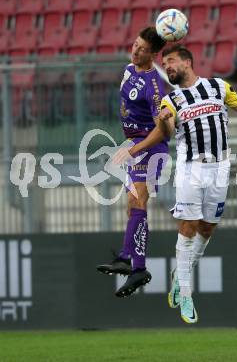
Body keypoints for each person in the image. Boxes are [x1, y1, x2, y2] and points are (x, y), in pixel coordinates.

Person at [114, 44, 237, 323]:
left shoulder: (218, 87)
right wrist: (163, 122)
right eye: (166, 63)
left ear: (187, 62)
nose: (168, 66)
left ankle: (180, 276)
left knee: (207, 228)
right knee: (187, 227)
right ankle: (186, 294)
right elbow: (167, 129)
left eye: (172, 61)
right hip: (191, 169)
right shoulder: (171, 99)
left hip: (220, 167)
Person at [96, 27, 167, 298]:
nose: (136, 51)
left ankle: (139, 269)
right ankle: (128, 259)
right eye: (135, 45)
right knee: (131, 206)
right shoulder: (129, 69)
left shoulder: (153, 86)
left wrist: (136, 147)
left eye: (143, 49)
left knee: (138, 202)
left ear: (153, 55)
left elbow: (162, 131)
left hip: (149, 148)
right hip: (133, 148)